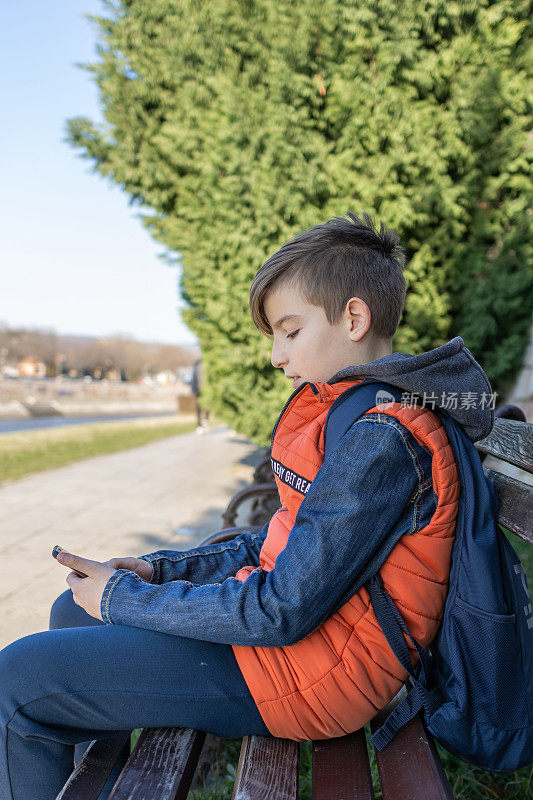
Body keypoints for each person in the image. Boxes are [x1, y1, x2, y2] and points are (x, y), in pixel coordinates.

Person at [0, 212, 495, 799]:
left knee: (16, 682)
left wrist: (122, 596)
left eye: (289, 331)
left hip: (322, 674)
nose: (275, 357)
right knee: (71, 609)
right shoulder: (355, 414)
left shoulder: (380, 437)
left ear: (354, 318)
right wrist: (159, 571)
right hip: (309, 647)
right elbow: (280, 540)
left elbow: (278, 611)